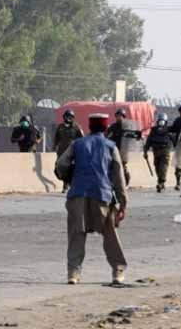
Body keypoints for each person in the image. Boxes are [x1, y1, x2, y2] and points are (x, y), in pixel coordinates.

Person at [55, 113, 128, 286]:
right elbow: (119, 177)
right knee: (110, 236)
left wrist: (69, 177)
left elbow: (61, 164)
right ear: (104, 127)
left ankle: (73, 274)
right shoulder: (110, 146)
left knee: (76, 236)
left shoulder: (77, 144)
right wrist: (123, 203)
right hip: (102, 195)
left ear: (90, 126)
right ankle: (117, 271)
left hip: (77, 195)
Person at [53, 110, 84, 191]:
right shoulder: (60, 127)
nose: (68, 118)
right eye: (67, 116)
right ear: (64, 117)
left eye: (70, 117)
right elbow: (56, 138)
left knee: (71, 169)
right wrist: (55, 146)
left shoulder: (77, 127)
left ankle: (67, 185)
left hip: (72, 152)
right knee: (59, 169)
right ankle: (66, 184)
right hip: (61, 152)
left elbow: (82, 139)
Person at [144, 113, 172, 193]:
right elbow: (149, 140)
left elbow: (174, 139)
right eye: (160, 120)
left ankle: (161, 182)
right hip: (156, 151)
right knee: (157, 167)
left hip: (165, 150)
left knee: (163, 167)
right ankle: (160, 182)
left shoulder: (168, 130)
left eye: (162, 120)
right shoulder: (154, 130)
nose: (161, 122)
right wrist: (145, 150)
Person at [105, 109, 133, 186]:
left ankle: (126, 181)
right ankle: (113, 182)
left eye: (120, 116)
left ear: (124, 117)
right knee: (113, 166)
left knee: (122, 167)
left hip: (124, 150)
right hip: (114, 149)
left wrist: (138, 136)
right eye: (117, 116)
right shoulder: (113, 126)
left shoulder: (128, 126)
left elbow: (133, 135)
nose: (118, 118)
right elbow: (106, 134)